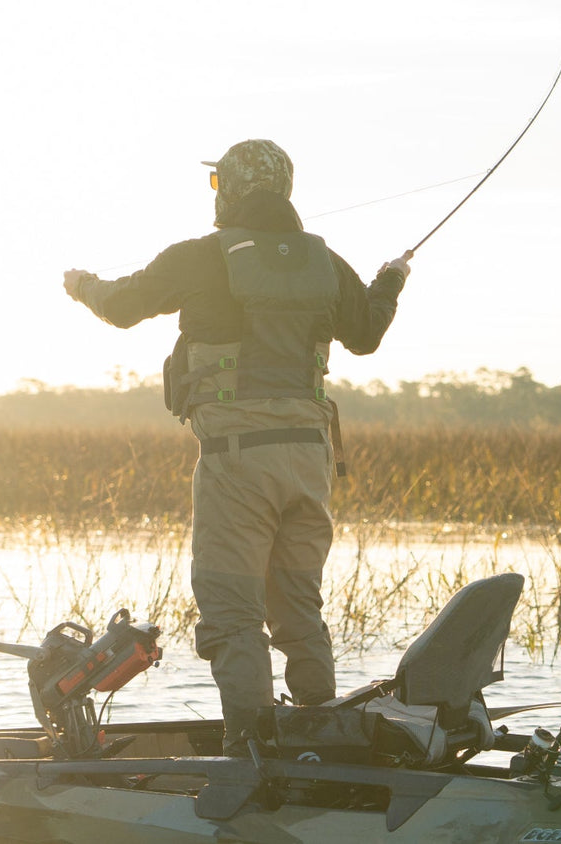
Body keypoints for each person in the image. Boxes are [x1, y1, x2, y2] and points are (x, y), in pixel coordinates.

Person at [63, 139, 409, 753]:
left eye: (218, 185)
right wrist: (390, 281)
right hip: (310, 460)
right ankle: (319, 741)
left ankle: (251, 753)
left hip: (237, 459)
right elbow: (368, 335)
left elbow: (119, 307)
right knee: (298, 609)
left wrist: (82, 284)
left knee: (232, 614)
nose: (215, 197)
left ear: (235, 191)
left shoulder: (199, 257)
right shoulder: (326, 263)